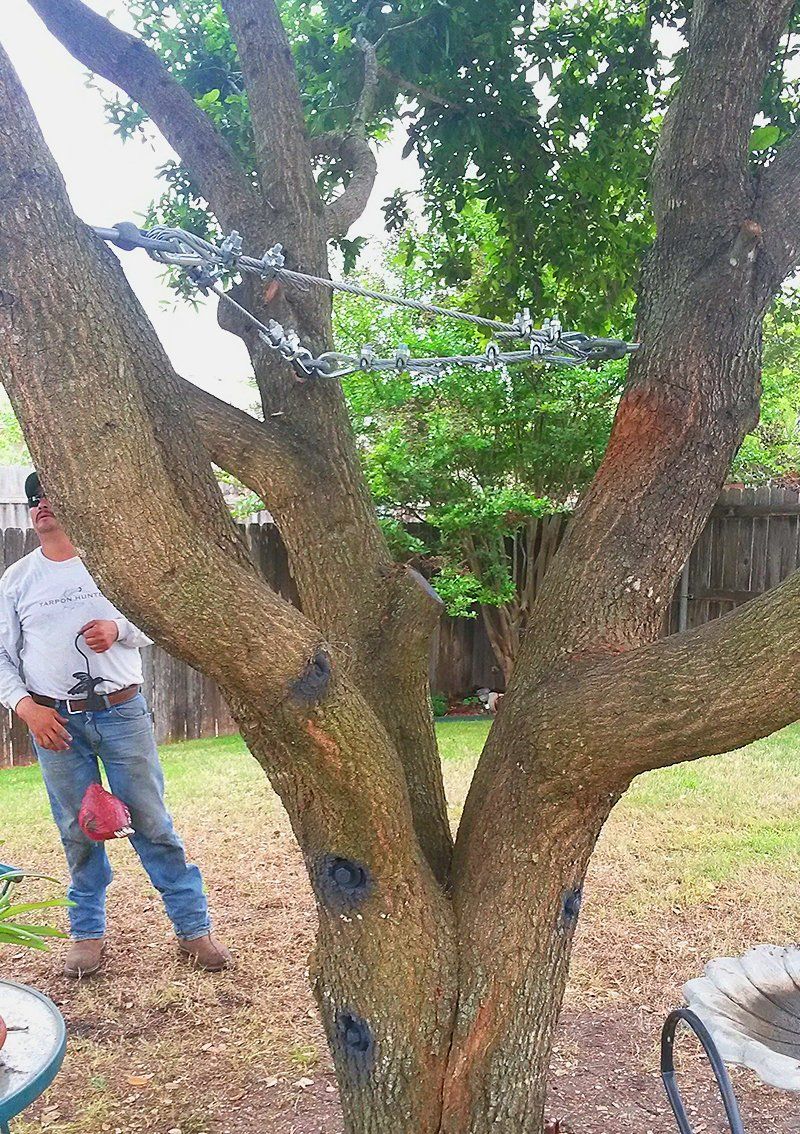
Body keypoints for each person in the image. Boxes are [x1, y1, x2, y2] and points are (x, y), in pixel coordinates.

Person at [0, 472, 232, 978]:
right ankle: (87, 934)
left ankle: (193, 931)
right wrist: (24, 707)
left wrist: (119, 629)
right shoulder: (17, 579)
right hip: (53, 721)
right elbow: (1, 655)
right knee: (78, 829)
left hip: (122, 712)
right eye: (33, 499)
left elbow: (158, 620)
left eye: (51, 495)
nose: (40, 505)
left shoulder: (112, 566)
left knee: (151, 822)